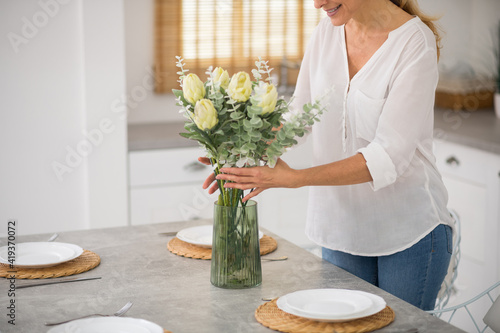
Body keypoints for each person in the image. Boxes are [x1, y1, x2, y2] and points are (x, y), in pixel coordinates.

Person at [201, 0, 453, 311]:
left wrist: (295, 179)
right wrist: (240, 157)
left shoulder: (415, 43)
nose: (318, 3)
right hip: (340, 230)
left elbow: (389, 155)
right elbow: (299, 116)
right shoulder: (327, 31)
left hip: (408, 233)